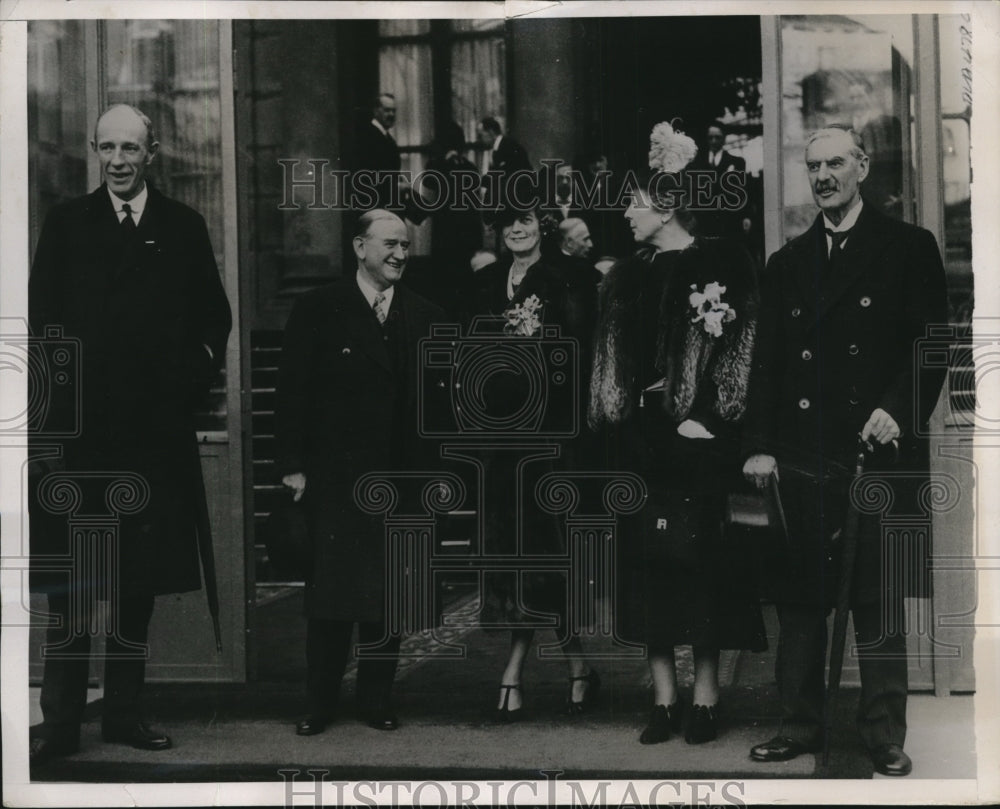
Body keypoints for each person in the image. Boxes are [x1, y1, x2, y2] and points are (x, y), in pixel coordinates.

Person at [27, 104, 232, 764]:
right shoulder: (65, 226)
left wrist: (183, 386)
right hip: (82, 438)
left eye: (130, 148)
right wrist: (49, 437)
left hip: (152, 440)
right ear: (95, 151)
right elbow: (43, 334)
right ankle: (59, 722)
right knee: (72, 589)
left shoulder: (183, 226)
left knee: (134, 589)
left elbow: (214, 321)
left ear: (153, 153)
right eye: (106, 147)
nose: (117, 159)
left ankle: (123, 713)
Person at [743, 125, 948, 776]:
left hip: (876, 449)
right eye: (814, 166)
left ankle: (883, 732)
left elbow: (931, 346)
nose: (824, 174)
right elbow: (766, 367)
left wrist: (896, 408)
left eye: (836, 162)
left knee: (877, 600)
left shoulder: (908, 248)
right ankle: (799, 724)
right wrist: (758, 446)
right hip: (803, 454)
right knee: (802, 601)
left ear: (862, 166)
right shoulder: (786, 263)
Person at [588, 121, 765, 745]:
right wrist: (621, 422)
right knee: (647, 572)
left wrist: (709, 418)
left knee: (703, 568)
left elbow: (742, 348)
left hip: (697, 443)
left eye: (634, 203)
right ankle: (663, 699)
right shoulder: (624, 275)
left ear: (664, 206)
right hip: (639, 446)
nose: (626, 214)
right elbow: (612, 363)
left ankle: (707, 697)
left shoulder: (719, 261)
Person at [277, 210, 444, 736]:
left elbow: (437, 411)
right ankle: (318, 703)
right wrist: (292, 468)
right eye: (389, 244)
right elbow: (291, 393)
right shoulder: (318, 308)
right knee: (329, 600)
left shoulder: (426, 315)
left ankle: (375, 700)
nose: (399, 254)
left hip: (400, 480)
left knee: (386, 598)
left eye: (405, 246)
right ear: (359, 247)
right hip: (335, 478)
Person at [467, 202, 601, 719]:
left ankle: (515, 670)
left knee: (550, 553)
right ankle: (577, 667)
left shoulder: (568, 276)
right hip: (501, 442)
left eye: (524, 221)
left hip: (553, 439)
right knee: (514, 553)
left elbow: (581, 351)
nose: (516, 230)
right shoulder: (488, 280)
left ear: (542, 227)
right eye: (507, 224)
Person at [691, 121, 747, 237]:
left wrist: (746, 216)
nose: (714, 141)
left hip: (728, 220)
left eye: (718, 137)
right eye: (710, 138)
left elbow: (743, 192)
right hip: (703, 221)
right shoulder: (696, 163)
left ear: (724, 138)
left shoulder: (737, 162)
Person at [354, 93, 404, 210]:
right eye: (387, 110)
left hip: (387, 202)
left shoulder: (387, 137)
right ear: (376, 111)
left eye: (393, 111)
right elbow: (369, 172)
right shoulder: (368, 136)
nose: (391, 114)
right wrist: (396, 186)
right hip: (375, 203)